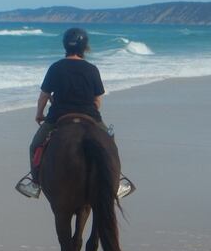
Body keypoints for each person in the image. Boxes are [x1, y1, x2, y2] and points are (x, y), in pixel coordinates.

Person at [16, 27, 133, 199]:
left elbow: (44, 97)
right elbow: (97, 100)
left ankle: (35, 184)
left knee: (35, 146)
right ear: (85, 47)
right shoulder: (92, 69)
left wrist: (39, 114)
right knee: (109, 143)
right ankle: (116, 184)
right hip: (90, 116)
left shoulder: (56, 67)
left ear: (65, 46)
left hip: (57, 117)